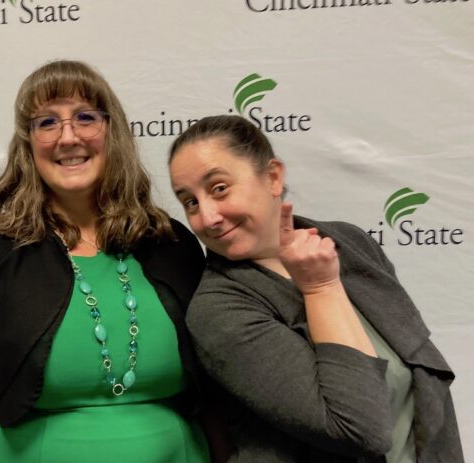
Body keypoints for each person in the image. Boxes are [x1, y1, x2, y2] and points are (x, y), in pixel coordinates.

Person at [0, 60, 214, 462]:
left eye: (85, 117)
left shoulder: (171, 241)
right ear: (27, 143)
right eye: (46, 122)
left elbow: (220, 389)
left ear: (112, 131)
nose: (68, 137)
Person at [168, 115, 463, 462]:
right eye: (190, 202)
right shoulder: (219, 309)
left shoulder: (348, 243)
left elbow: (426, 387)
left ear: (273, 177)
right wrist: (321, 287)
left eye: (219, 188)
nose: (207, 216)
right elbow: (358, 428)